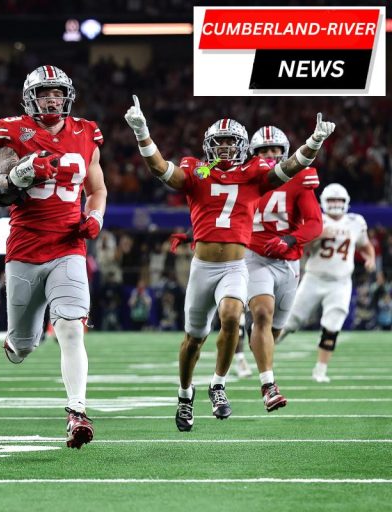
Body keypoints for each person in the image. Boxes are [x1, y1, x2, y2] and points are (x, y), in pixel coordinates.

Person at [124, 96, 335, 431]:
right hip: (202, 267)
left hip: (236, 266)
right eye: (218, 143)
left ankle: (218, 385)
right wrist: (143, 133)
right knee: (193, 339)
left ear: (240, 146)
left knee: (233, 318)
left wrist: (313, 142)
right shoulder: (197, 170)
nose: (224, 148)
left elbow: (289, 167)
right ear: (209, 146)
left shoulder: (254, 173)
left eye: (230, 142)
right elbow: (161, 169)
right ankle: (185, 394)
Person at [0, 65, 106, 448]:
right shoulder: (12, 131)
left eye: (57, 92)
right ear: (30, 99)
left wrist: (95, 217)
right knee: (24, 345)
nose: (52, 98)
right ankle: (16, 341)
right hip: (24, 249)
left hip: (68, 246)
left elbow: (97, 188)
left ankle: (77, 412)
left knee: (70, 327)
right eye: (44, 93)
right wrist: (22, 174)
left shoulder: (87, 132)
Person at [244, 125, 323, 411]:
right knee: (263, 314)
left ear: (286, 152)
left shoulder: (299, 177)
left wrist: (289, 238)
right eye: (264, 150)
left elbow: (315, 223)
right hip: (253, 256)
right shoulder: (246, 178)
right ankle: (269, 386)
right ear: (253, 154)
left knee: (273, 330)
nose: (270, 155)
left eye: (275, 149)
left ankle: (250, 346)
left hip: (289, 261)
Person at [278, 183, 376, 383]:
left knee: (332, 325)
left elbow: (365, 246)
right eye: (332, 200)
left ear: (346, 202)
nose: (335, 204)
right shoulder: (316, 220)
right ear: (323, 202)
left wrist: (370, 259)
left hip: (340, 282)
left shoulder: (356, 222)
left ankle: (320, 370)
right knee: (290, 322)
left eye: (339, 200)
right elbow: (301, 249)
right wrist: (316, 235)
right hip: (314, 278)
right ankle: (263, 351)